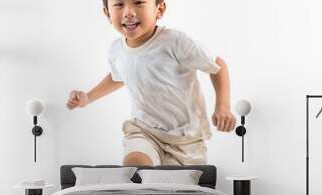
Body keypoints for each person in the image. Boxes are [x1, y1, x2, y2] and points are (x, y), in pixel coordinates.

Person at [67, 0, 236, 166]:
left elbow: (217, 66)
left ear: (159, 9)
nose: (128, 12)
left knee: (176, 189)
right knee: (135, 167)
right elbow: (117, 77)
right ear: (107, 13)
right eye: (119, 4)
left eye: (138, 2)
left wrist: (223, 107)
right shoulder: (116, 50)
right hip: (144, 131)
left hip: (186, 139)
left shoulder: (175, 42)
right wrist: (88, 97)